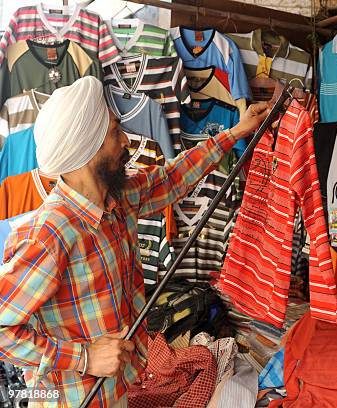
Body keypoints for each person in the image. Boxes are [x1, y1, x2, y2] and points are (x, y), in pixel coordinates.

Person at [0, 76, 271, 407]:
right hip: (74, 399)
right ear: (90, 147)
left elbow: (173, 177)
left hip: (120, 388)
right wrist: (83, 357)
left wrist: (236, 133)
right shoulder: (50, 236)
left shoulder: (117, 199)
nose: (127, 140)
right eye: (116, 132)